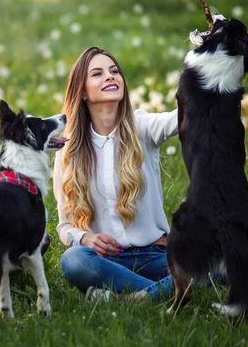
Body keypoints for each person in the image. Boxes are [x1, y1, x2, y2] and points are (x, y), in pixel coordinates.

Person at [53, 46, 178, 303]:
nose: (110, 76)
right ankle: (175, 288)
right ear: (83, 92)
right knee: (73, 260)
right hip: (105, 261)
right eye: (97, 74)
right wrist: (86, 237)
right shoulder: (68, 149)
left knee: (219, 262)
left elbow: (185, 116)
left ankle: (133, 298)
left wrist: (212, 60)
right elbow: (64, 226)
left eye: (114, 71)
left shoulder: (142, 126)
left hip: (156, 255)